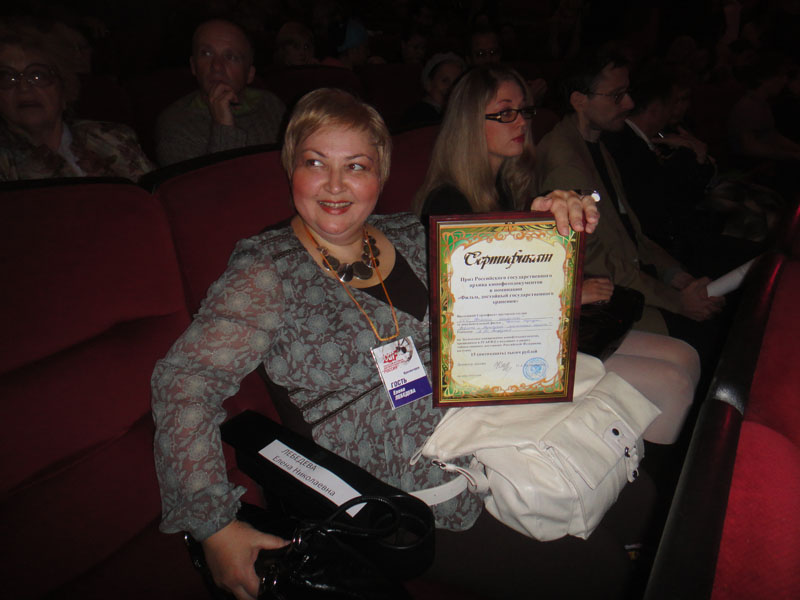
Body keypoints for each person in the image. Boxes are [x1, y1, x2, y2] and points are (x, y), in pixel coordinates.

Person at [152, 87, 629, 600]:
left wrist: (543, 225)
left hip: (494, 435)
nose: (335, 185)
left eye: (356, 166)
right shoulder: (266, 271)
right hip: (402, 500)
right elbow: (184, 383)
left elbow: (504, 297)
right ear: (291, 168)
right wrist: (214, 525)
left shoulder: (412, 234)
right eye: (316, 162)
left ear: (380, 174)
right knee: (600, 569)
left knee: (633, 493)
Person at [415, 64, 700, 446]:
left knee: (685, 357)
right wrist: (569, 295)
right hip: (498, 356)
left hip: (535, 333)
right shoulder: (448, 203)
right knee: (672, 383)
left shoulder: (507, 183)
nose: (521, 122)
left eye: (524, 110)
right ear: (468, 123)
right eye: (505, 113)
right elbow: (473, 318)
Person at [534, 46, 725, 366]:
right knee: (707, 341)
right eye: (617, 96)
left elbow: (630, 232)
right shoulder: (565, 163)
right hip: (600, 301)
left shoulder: (594, 143)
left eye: (627, 93)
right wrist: (676, 301)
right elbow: (595, 263)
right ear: (579, 100)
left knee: (714, 319)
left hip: (627, 284)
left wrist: (675, 275)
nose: (629, 103)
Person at [0, 23, 152, 181]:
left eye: (38, 75)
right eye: (6, 77)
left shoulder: (113, 137)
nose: (23, 88)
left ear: (64, 87)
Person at [155, 19, 285, 167]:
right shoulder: (174, 123)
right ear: (193, 66)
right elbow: (213, 181)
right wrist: (224, 126)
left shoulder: (271, 105)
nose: (217, 66)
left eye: (231, 57)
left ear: (249, 73)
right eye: (206, 53)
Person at [401, 52, 465, 128]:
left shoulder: (461, 114)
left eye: (456, 82)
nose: (451, 87)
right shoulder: (418, 114)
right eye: (445, 81)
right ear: (428, 84)